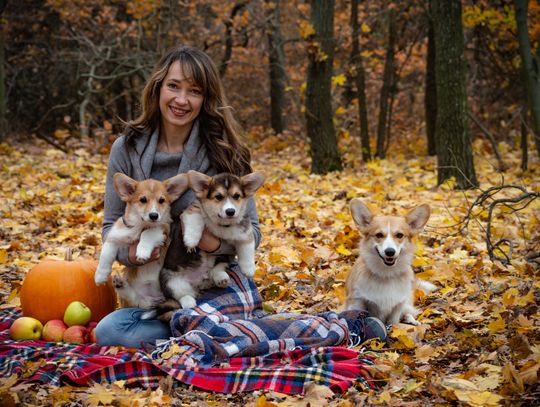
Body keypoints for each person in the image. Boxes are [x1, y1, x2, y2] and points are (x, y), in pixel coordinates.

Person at [95, 45, 387, 349]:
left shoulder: (223, 151)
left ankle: (347, 326)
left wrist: (215, 243)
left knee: (199, 330)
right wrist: (133, 255)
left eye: (194, 91)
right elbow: (110, 229)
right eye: (173, 86)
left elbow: (254, 232)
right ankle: (235, 331)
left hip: (215, 281)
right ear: (158, 88)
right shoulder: (126, 149)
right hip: (156, 290)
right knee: (112, 332)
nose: (181, 100)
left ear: (205, 99)